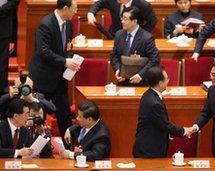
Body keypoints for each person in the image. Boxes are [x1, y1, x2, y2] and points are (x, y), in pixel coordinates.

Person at [28, 0, 79, 140]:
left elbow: (67, 47)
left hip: (59, 78)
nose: (76, 12)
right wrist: (64, 61)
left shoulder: (68, 24)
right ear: (65, 8)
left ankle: (70, 147)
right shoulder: (46, 24)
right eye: (74, 8)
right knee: (39, 115)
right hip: (42, 78)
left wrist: (70, 60)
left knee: (65, 115)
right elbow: (43, 51)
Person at [133, 66, 191, 158]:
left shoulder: (148, 94)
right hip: (149, 151)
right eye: (167, 78)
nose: (169, 80)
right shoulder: (154, 103)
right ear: (160, 83)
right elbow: (165, 125)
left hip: (147, 147)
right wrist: (185, 131)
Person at [110, 6, 160, 86]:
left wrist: (140, 75)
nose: (122, 21)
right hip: (122, 82)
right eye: (122, 18)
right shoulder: (119, 34)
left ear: (134, 21)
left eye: (125, 19)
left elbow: (154, 59)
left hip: (141, 83)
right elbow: (114, 55)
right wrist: (118, 70)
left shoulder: (147, 38)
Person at [87, 0, 157, 38]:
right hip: (113, 37)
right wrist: (91, 14)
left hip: (135, 39)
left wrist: (139, 33)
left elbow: (152, 22)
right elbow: (98, 4)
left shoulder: (143, 4)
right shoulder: (113, 1)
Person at [0, 0, 20, 95]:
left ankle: (2, 90)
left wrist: (1, 10)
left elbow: (14, 1)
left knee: (2, 62)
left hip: (3, 25)